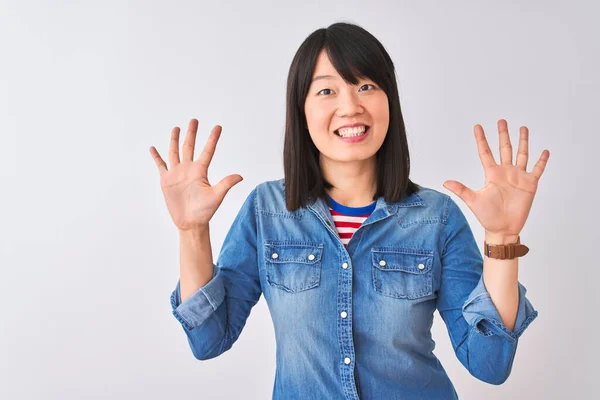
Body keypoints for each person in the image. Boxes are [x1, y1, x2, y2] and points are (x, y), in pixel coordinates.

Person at [149, 22, 549, 400]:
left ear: (388, 100)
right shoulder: (266, 210)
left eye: (366, 85)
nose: (350, 106)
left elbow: (489, 363)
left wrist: (502, 239)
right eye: (326, 91)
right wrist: (191, 231)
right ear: (301, 110)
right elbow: (208, 340)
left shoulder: (436, 217)